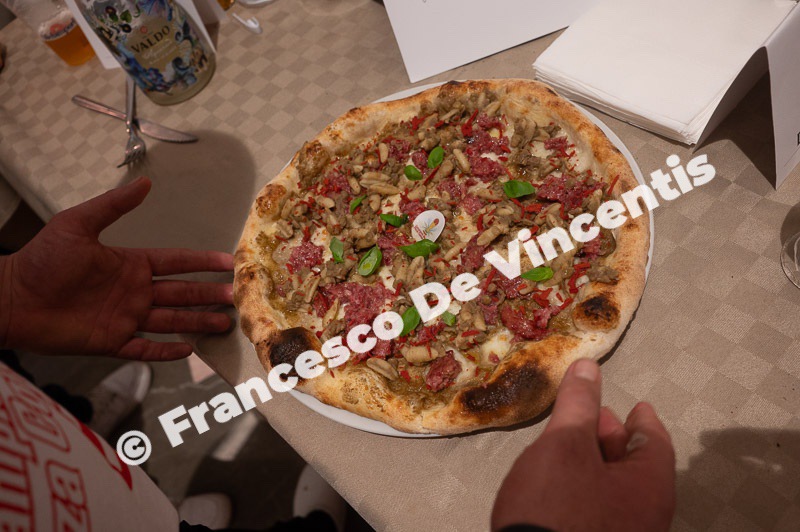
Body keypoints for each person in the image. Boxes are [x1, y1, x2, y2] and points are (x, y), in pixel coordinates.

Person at [0, 178, 676, 531]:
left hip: (30, 428)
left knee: (74, 435)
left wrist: (10, 301)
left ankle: (85, 421)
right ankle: (317, 525)